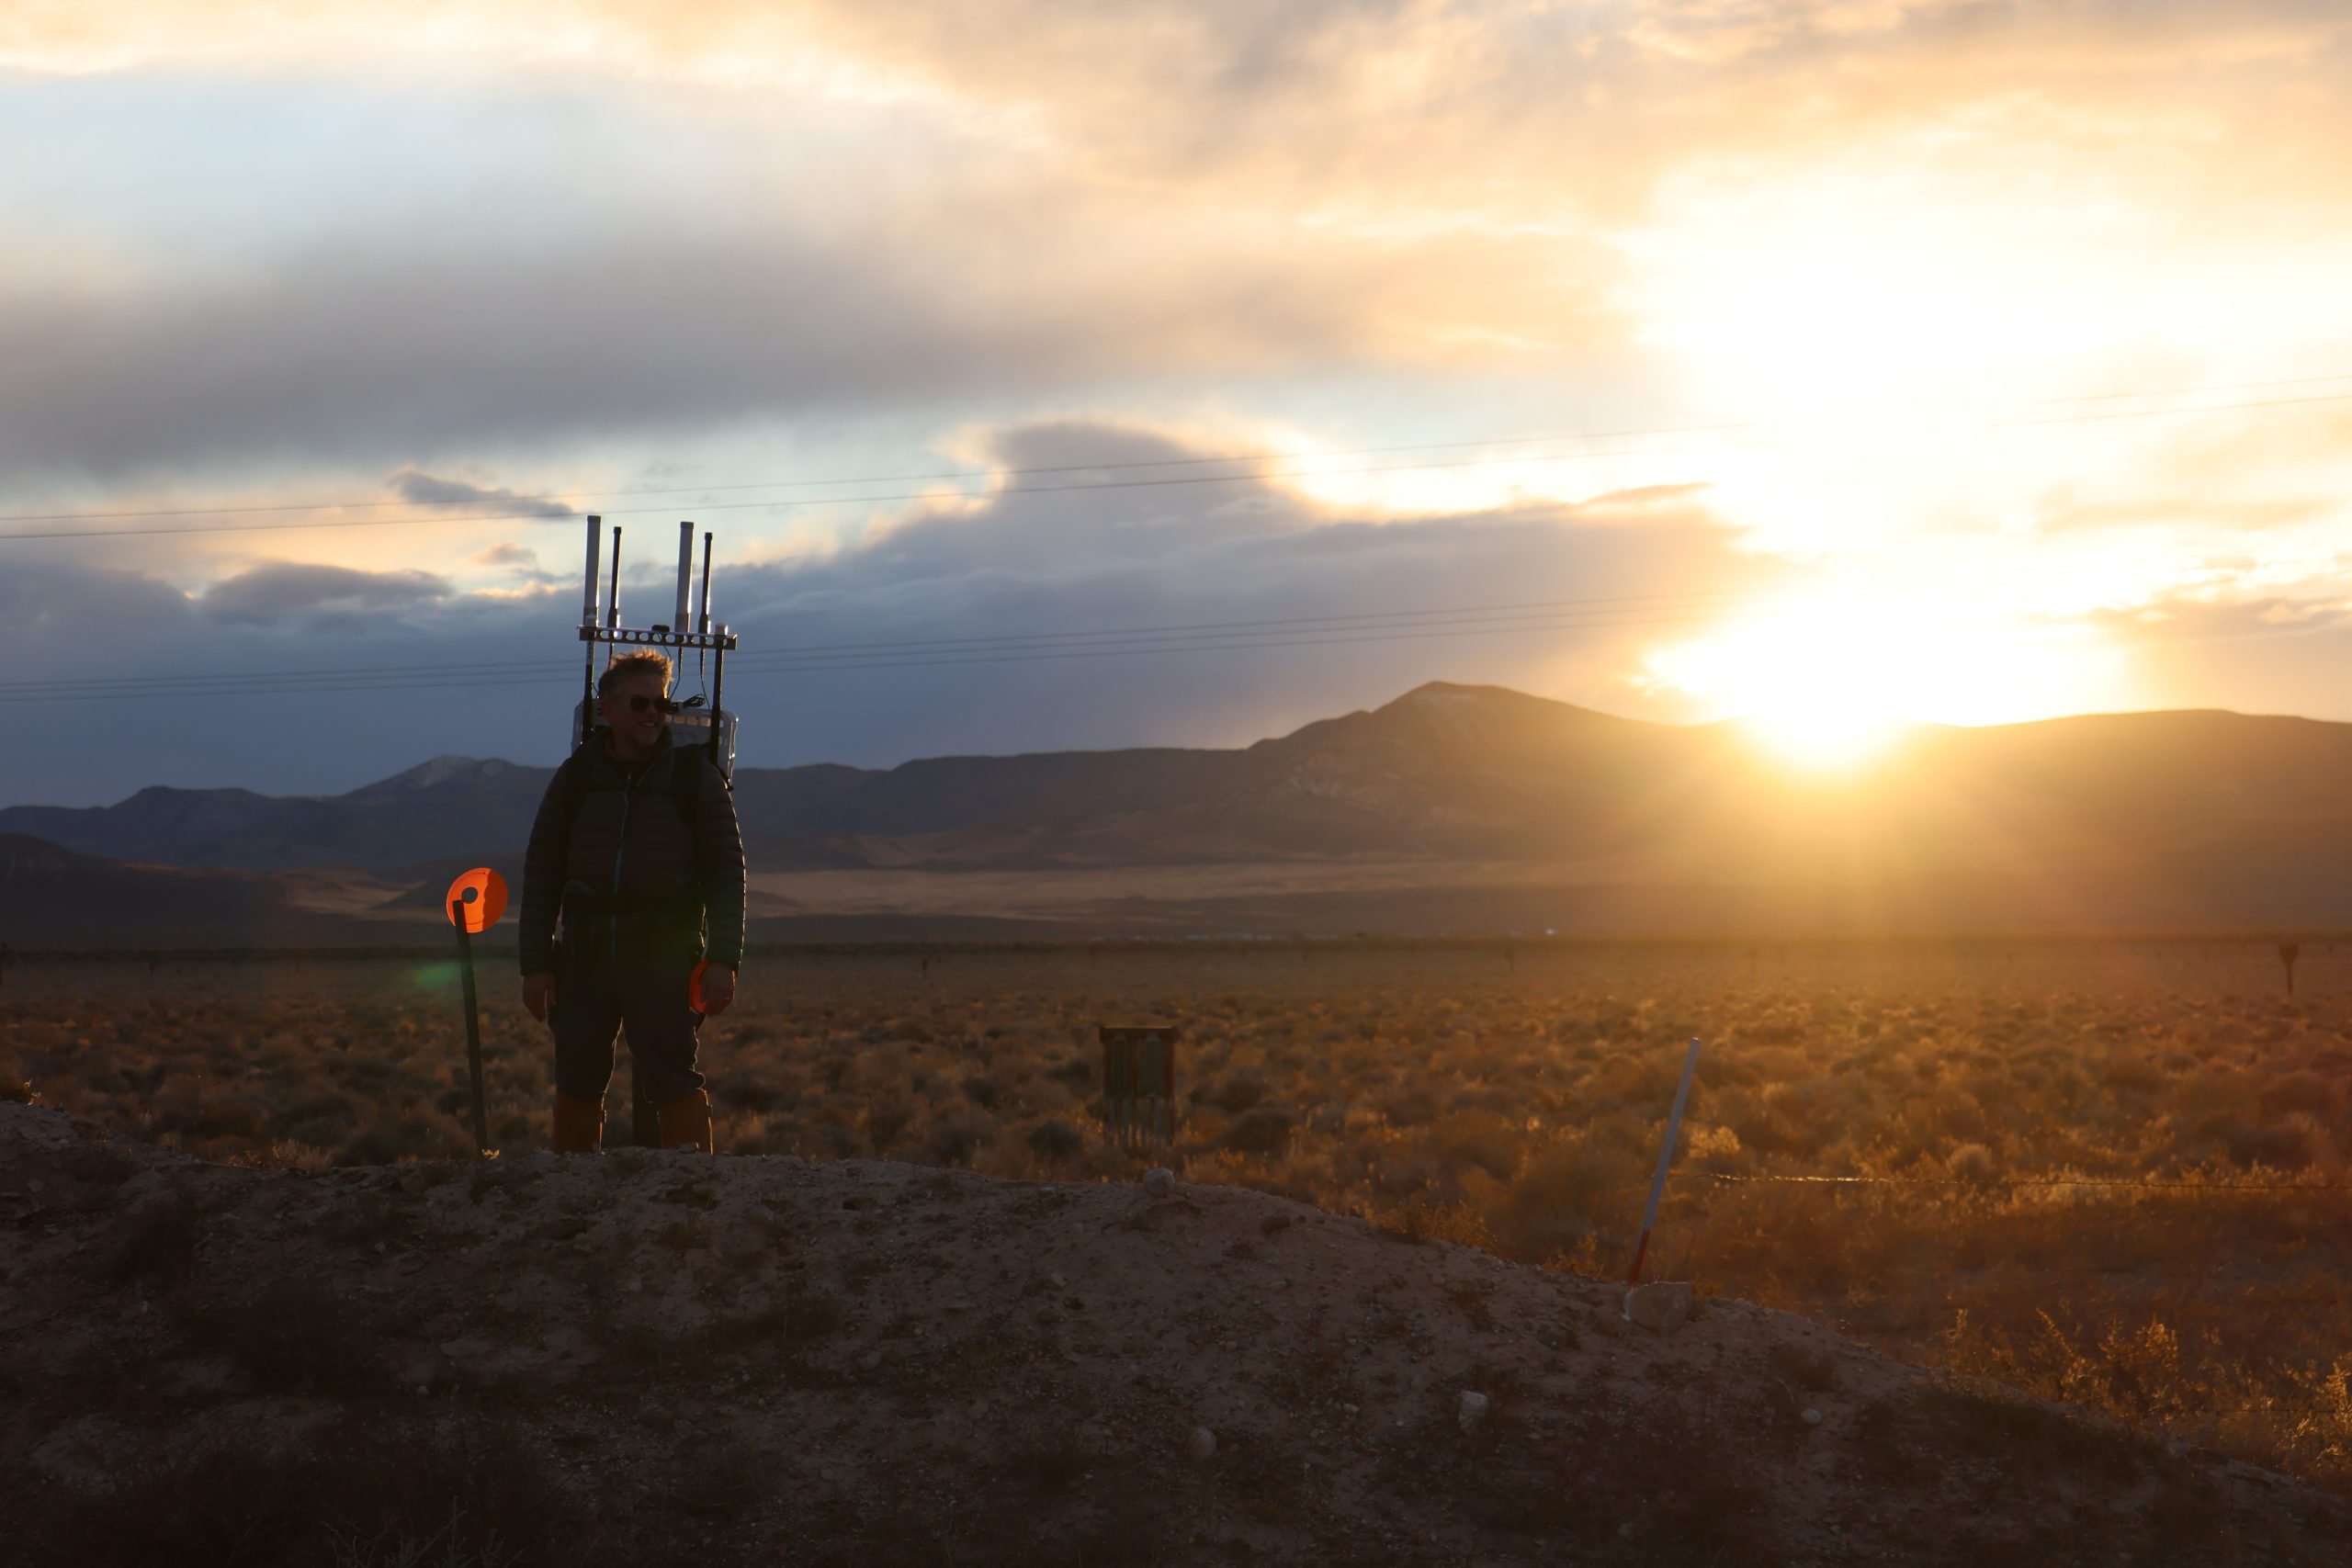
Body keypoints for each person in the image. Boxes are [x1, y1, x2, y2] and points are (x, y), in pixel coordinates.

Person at [518, 650, 745, 1153]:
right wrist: (535, 964)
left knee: (670, 1073)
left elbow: (726, 874)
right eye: (639, 702)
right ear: (607, 710)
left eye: (661, 705)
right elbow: (542, 875)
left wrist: (724, 959)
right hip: (585, 954)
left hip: (664, 955)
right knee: (577, 1073)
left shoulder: (693, 779)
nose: (652, 714)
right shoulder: (576, 778)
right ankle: (570, 1196)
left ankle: (690, 1197)